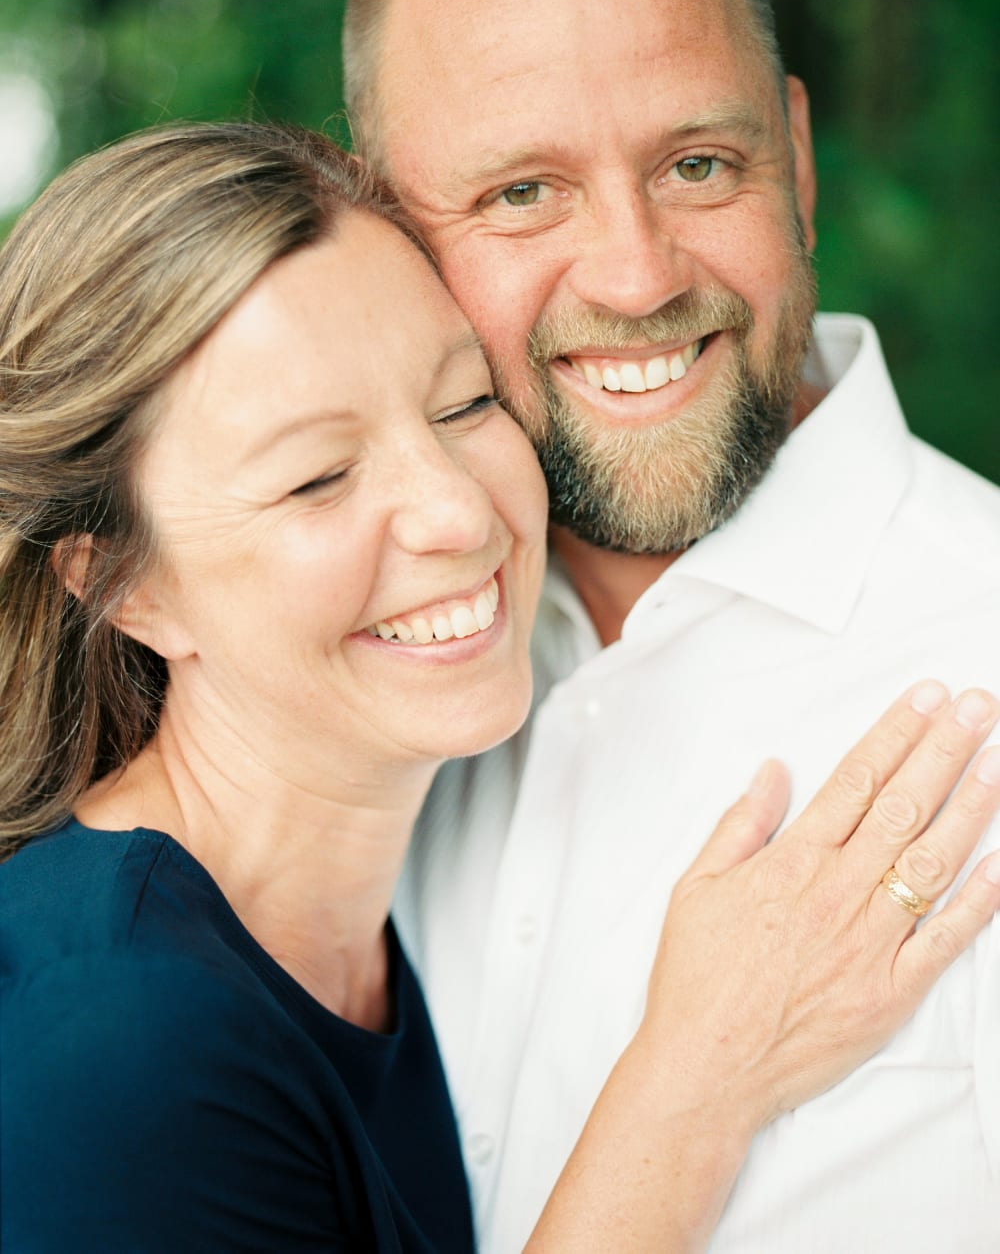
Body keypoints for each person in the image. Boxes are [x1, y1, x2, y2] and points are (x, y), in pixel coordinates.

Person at [1, 124, 998, 1253]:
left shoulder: (373, 925)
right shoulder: (112, 1042)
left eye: (463, 406)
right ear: (123, 587)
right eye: (319, 477)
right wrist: (696, 1082)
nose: (459, 513)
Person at [340, 0, 1000, 1249]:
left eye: (700, 164)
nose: (637, 276)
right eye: (523, 192)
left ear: (798, 162)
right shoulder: (342, 688)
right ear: (378, 233)